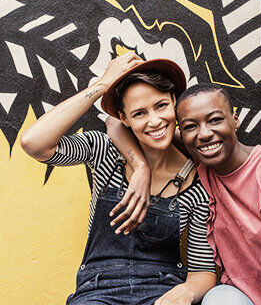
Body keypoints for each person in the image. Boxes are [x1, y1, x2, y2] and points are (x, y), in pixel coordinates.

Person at [107, 82, 261, 305]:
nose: (204, 134)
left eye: (215, 120)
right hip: (243, 296)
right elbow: (114, 123)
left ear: (235, 119)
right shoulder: (202, 160)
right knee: (218, 299)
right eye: (190, 126)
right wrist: (140, 166)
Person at [20, 52, 216, 305]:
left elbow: (202, 270)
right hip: (97, 292)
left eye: (161, 106)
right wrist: (101, 86)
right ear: (123, 118)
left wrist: (184, 294)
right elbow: (34, 143)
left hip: (162, 290)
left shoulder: (196, 183)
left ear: (174, 102)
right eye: (139, 114)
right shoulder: (104, 153)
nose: (155, 121)